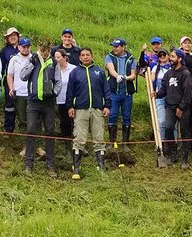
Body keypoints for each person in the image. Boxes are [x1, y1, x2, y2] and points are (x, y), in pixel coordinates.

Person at [66, 46, 110, 178]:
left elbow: (106, 90)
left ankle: (101, 167)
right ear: (79, 57)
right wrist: (70, 106)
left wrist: (107, 105)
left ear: (92, 56)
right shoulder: (75, 72)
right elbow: (70, 91)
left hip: (97, 109)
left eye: (88, 55)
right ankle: (76, 168)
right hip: (80, 109)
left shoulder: (99, 71)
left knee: (99, 138)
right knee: (79, 137)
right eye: (83, 55)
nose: (85, 57)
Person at [23, 40, 58, 176]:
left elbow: (58, 81)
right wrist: (31, 64)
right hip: (33, 102)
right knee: (31, 130)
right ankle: (28, 163)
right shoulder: (33, 60)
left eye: (47, 51)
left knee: (50, 132)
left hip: (48, 103)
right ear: (38, 49)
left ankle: (50, 165)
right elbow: (23, 76)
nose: (44, 53)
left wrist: (54, 92)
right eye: (42, 50)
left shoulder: (53, 63)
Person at [163, 48, 192, 167]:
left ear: (180, 58)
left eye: (172, 57)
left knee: (184, 131)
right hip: (170, 106)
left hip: (183, 107)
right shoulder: (168, 73)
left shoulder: (186, 73)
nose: (170, 59)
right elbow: (164, 89)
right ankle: (173, 154)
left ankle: (184, 158)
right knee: (169, 128)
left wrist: (181, 107)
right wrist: (156, 94)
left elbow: (188, 92)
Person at [104, 38, 137, 149]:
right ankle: (112, 142)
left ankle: (125, 143)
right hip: (114, 91)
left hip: (127, 92)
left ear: (123, 47)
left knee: (126, 116)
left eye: (117, 46)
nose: (114, 48)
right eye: (113, 46)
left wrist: (126, 78)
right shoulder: (110, 57)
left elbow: (133, 75)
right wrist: (117, 76)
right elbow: (111, 69)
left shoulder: (131, 58)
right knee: (112, 115)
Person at [7, 36, 35, 137]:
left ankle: (34, 143)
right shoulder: (14, 59)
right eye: (23, 47)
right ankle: (25, 144)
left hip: (32, 93)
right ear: (19, 47)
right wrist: (11, 88)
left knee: (33, 120)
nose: (26, 49)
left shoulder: (34, 59)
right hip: (19, 92)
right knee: (22, 119)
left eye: (28, 47)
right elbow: (10, 75)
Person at [0, 27, 21, 133]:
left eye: (14, 35)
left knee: (22, 105)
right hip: (9, 81)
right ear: (7, 38)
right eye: (10, 36)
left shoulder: (23, 48)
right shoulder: (4, 50)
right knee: (9, 105)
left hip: (22, 82)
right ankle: (8, 129)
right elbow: (1, 66)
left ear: (18, 37)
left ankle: (23, 128)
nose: (13, 37)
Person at [53, 47, 75, 146]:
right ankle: (66, 142)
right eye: (55, 57)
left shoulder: (73, 69)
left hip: (70, 100)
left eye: (58, 57)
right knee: (63, 121)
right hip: (59, 99)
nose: (56, 59)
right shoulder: (53, 69)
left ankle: (75, 141)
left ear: (64, 57)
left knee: (73, 122)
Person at [151, 48, 172, 144]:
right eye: (160, 55)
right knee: (162, 122)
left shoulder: (172, 67)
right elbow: (152, 79)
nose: (162, 57)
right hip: (160, 97)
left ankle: (173, 143)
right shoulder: (156, 68)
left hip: (172, 97)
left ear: (168, 55)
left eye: (164, 54)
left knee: (173, 123)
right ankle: (162, 143)